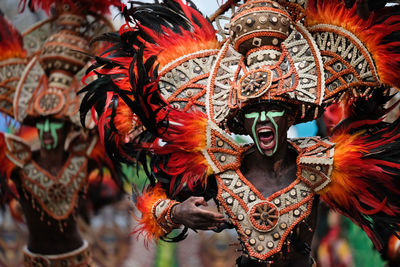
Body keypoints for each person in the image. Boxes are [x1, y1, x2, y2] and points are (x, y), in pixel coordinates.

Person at [80, 0, 400, 266]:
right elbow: (154, 203)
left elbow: (385, 193)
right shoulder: (219, 165)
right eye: (252, 112)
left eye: (272, 109)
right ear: (240, 122)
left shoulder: (326, 163)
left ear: (289, 117)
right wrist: (179, 212)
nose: (262, 119)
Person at [0, 0, 121, 265]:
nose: (45, 130)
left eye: (53, 124)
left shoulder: (83, 156)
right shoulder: (17, 161)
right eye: (41, 122)